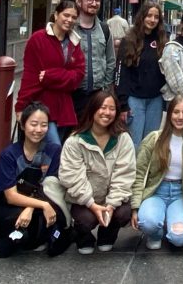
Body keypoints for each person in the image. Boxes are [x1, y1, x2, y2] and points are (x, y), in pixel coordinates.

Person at [0, 102, 70, 259]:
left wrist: (30, 208)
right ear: (23, 125)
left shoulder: (54, 151)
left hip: (39, 207)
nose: (38, 130)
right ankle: (4, 243)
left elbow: (51, 187)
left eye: (44, 125)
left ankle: (22, 237)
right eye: (33, 124)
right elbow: (11, 196)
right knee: (24, 222)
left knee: (47, 222)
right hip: (3, 207)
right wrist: (41, 205)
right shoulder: (9, 154)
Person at [58, 91, 136, 254]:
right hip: (85, 200)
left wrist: (111, 205)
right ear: (92, 109)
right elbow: (72, 177)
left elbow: (125, 174)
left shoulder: (123, 139)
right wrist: (92, 205)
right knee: (85, 220)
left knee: (123, 213)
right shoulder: (75, 141)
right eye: (102, 107)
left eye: (111, 108)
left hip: (111, 199)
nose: (107, 112)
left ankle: (107, 234)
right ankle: (83, 236)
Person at [131, 96, 183, 249]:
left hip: (181, 193)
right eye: (176, 112)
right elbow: (139, 173)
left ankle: (171, 222)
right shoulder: (154, 138)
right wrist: (135, 207)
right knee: (148, 223)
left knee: (179, 240)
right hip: (156, 191)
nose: (180, 117)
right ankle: (155, 232)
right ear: (169, 114)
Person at [16, 0, 86, 146]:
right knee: (54, 148)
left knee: (52, 155)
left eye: (73, 17)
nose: (69, 20)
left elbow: (78, 75)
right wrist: (21, 106)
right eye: (66, 15)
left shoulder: (74, 42)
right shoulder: (38, 39)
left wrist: (50, 76)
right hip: (41, 106)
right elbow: (30, 76)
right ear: (56, 15)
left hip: (64, 109)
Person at [116, 1, 168, 148]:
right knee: (134, 143)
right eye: (149, 15)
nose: (152, 20)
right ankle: (132, 171)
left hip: (156, 100)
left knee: (150, 143)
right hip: (134, 100)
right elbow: (120, 73)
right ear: (142, 17)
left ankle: (146, 171)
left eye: (156, 17)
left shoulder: (162, 41)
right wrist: (123, 104)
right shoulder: (129, 40)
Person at [73, 0, 116, 120]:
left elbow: (110, 60)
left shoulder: (104, 29)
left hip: (98, 94)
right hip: (74, 94)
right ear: (79, 2)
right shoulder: (70, 28)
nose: (94, 3)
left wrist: (106, 87)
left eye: (97, 0)